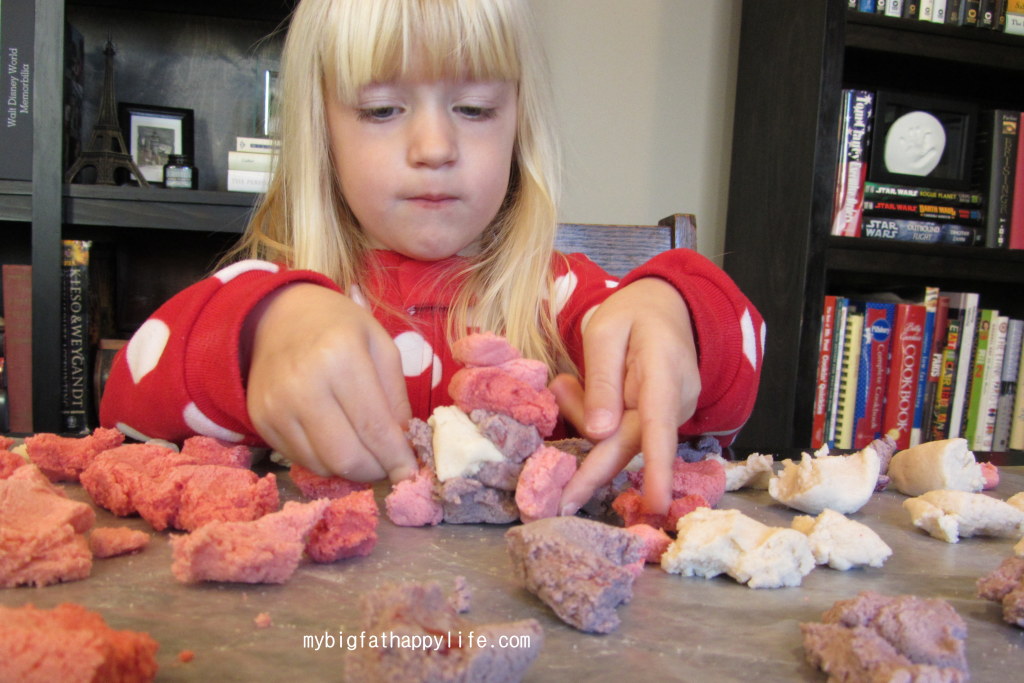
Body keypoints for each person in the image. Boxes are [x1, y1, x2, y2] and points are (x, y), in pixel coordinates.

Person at [99, 0, 764, 516]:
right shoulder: (275, 305)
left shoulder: (561, 299)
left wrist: (675, 313)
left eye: (474, 108)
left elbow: (727, 385)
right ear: (321, 131)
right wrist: (259, 337)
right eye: (382, 109)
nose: (435, 145)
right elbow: (124, 405)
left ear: (519, 125)